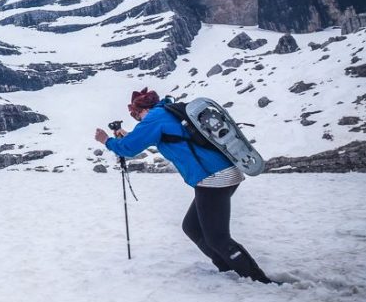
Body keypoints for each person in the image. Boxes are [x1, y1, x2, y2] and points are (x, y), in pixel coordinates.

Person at [94, 88, 274, 284]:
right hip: (221, 173)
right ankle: (227, 269)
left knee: (217, 237)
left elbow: (128, 148)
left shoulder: (154, 117)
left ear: (141, 109)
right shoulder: (167, 112)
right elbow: (161, 138)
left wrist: (106, 140)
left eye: (135, 114)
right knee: (192, 227)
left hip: (213, 177)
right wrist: (127, 135)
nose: (136, 118)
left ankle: (257, 280)